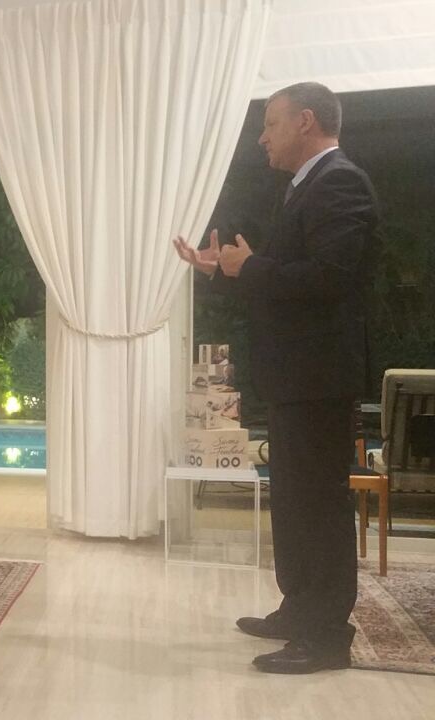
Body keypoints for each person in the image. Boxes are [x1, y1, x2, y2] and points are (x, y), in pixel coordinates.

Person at [174, 81, 377, 674]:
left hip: (319, 376)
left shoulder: (339, 181)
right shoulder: (303, 186)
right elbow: (287, 276)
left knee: (318, 504)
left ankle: (326, 636)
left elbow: (330, 279)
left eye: (270, 124)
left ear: (305, 122)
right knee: (293, 501)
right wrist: (224, 270)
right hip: (296, 376)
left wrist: (251, 267)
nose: (262, 137)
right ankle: (299, 609)